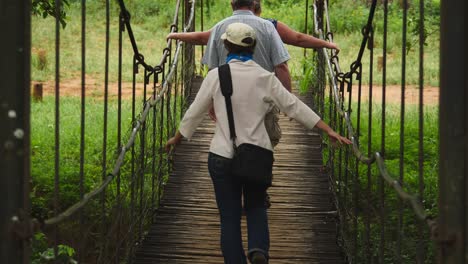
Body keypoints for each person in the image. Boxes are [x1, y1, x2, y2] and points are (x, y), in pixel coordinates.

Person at [165, 22, 352, 264]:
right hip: (258, 155)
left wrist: (177, 138)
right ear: (253, 48)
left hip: (221, 156)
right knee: (256, 206)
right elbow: (295, 107)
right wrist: (328, 130)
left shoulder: (215, 76)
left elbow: (194, 113)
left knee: (229, 218)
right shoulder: (266, 78)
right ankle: (258, 250)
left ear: (225, 46)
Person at [167, 0, 340, 52]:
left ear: (233, 6)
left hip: (231, 85)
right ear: (257, 6)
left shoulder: (225, 25)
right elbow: (299, 39)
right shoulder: (271, 26)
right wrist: (326, 43)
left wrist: (176, 35)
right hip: (262, 85)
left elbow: (202, 38)